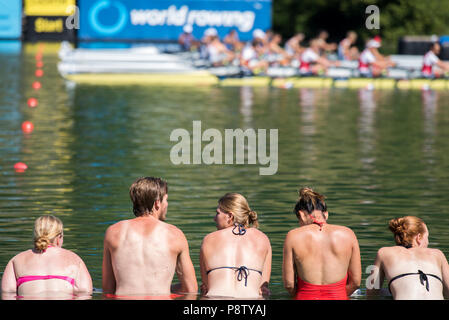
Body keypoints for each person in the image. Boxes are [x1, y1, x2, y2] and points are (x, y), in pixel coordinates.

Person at [102, 177, 198, 298]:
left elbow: (108, 290)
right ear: (157, 202)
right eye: (166, 200)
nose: (167, 204)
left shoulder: (113, 232)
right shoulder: (175, 235)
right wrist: (163, 290)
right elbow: (190, 289)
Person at [283, 187, 361, 300]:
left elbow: (289, 284)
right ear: (326, 214)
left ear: (302, 215)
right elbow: (356, 282)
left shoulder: (293, 236)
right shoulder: (348, 234)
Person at [1, 215, 92, 299]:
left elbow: (7, 294)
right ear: (59, 237)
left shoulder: (15, 261)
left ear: (36, 235)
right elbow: (85, 293)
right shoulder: (75, 260)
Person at [200, 193, 272, 298]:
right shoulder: (263, 239)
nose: (214, 218)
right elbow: (263, 289)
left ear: (230, 216)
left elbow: (206, 287)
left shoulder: (209, 239)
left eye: (217, 213)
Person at [366, 216, 449, 300]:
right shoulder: (437, 254)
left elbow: (370, 292)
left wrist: (393, 290)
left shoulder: (383, 252)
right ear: (419, 237)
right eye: (427, 237)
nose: (428, 242)